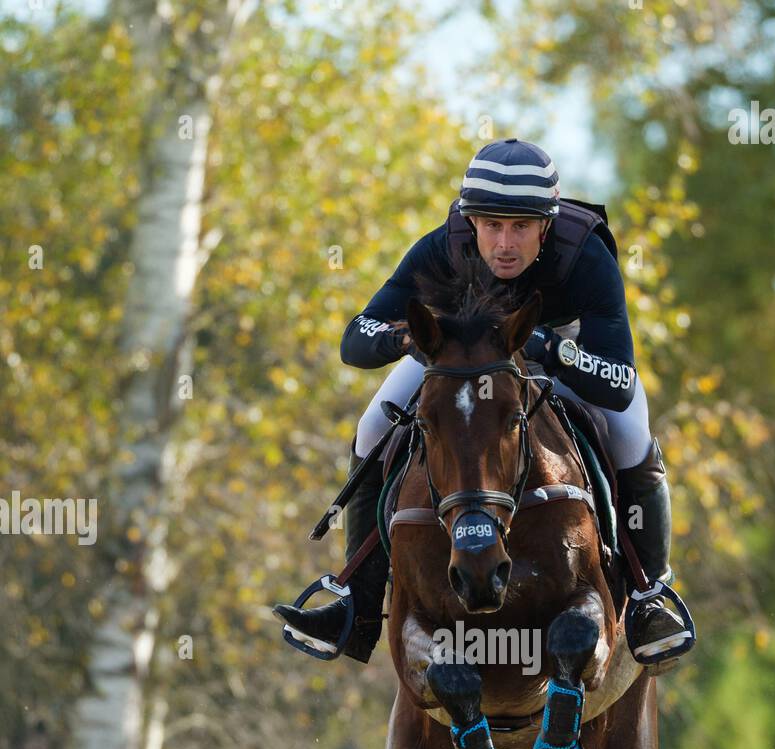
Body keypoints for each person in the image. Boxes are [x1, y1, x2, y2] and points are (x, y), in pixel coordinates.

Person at [274, 137, 695, 669]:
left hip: (560, 359)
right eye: (491, 224)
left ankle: (647, 596)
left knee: (632, 431)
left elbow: (617, 380)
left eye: (521, 227)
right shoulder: (442, 247)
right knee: (370, 428)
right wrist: (409, 340)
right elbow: (355, 339)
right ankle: (354, 603)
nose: (504, 243)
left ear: (547, 225)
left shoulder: (584, 253)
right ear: (471, 221)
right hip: (460, 361)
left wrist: (548, 347)